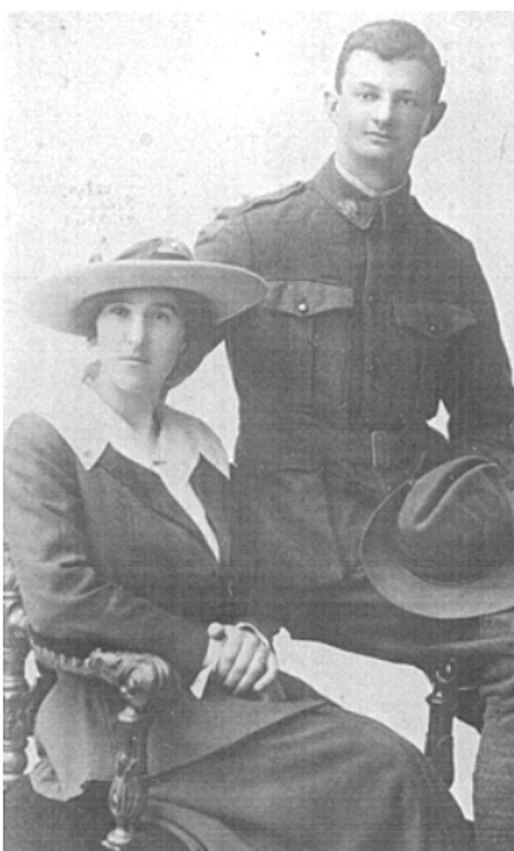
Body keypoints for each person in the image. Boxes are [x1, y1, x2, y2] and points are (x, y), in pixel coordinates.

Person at [193, 19, 514, 851]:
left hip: (402, 555)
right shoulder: (254, 236)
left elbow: (495, 420)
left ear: (432, 118)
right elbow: (149, 354)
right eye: (367, 94)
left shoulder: (449, 258)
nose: (383, 115)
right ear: (332, 103)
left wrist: (461, 504)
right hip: (280, 549)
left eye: (405, 100)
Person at [3, 237, 473, 851]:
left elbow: (251, 571)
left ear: (186, 342)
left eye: (161, 315)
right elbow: (62, 598)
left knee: (394, 764)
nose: (136, 336)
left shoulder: (197, 444)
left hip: (216, 707)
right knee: (387, 772)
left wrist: (251, 629)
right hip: (116, 718)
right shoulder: (47, 437)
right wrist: (204, 648)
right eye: (119, 312)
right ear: (93, 327)